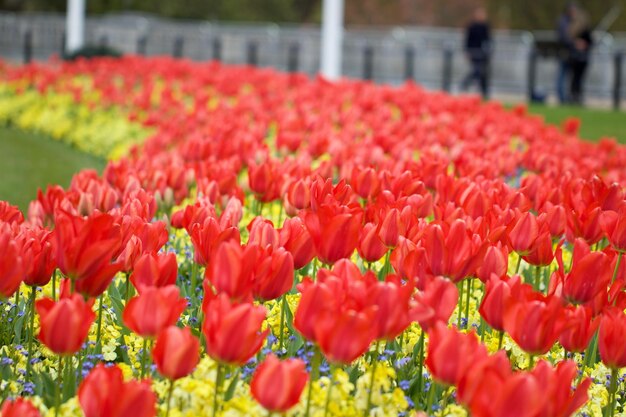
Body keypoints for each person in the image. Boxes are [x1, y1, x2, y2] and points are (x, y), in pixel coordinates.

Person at [461, 7, 492, 99]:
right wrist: (467, 51)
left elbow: (488, 39)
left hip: (483, 53)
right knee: (477, 71)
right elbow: (467, 40)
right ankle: (465, 84)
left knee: (483, 72)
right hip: (474, 51)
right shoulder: (472, 26)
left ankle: (484, 91)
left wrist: (488, 50)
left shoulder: (486, 26)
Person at [568, 7, 593, 105]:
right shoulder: (573, 30)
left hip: (582, 57)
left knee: (578, 78)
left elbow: (590, 42)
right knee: (575, 78)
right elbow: (568, 41)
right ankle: (574, 96)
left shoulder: (585, 31)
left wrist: (585, 44)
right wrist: (576, 43)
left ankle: (576, 96)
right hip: (575, 57)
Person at [556, 2, 578, 104]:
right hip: (565, 53)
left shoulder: (570, 21)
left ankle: (567, 97)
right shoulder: (564, 22)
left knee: (568, 76)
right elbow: (565, 38)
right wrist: (575, 43)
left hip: (570, 53)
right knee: (562, 75)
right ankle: (562, 97)